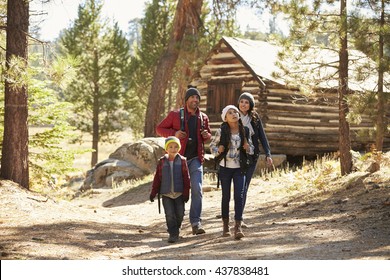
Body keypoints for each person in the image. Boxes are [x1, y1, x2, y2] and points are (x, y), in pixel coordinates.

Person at [156, 86, 212, 235]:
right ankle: (176, 224)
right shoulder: (175, 115)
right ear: (187, 100)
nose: (195, 100)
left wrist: (206, 135)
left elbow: (208, 137)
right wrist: (174, 133)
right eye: (192, 97)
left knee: (197, 190)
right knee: (177, 191)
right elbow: (159, 129)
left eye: (197, 98)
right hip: (178, 160)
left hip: (195, 160)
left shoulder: (203, 117)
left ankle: (196, 223)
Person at [209, 105, 254, 239]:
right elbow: (212, 146)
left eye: (235, 111)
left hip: (240, 168)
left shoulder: (245, 130)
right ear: (225, 118)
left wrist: (248, 148)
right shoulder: (222, 131)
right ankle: (225, 226)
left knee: (239, 196)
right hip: (225, 168)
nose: (234, 114)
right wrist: (219, 150)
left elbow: (251, 149)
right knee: (226, 196)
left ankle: (238, 226)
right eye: (230, 113)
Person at [237, 92, 273, 227]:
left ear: (250, 104)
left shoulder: (255, 118)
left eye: (246, 102)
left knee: (244, 187)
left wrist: (268, 153)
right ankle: (236, 217)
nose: (243, 104)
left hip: (251, 157)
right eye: (242, 101)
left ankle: (239, 218)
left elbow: (262, 137)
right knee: (239, 187)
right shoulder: (233, 115)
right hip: (236, 157)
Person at [149, 136, 191, 243]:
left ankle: (176, 228)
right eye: (171, 147)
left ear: (179, 148)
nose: (173, 149)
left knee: (180, 213)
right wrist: (153, 192)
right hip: (166, 194)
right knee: (169, 214)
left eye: (176, 147)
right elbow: (157, 178)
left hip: (179, 193)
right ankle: (173, 234)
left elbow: (186, 178)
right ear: (166, 149)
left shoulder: (182, 161)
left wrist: (186, 193)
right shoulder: (162, 162)